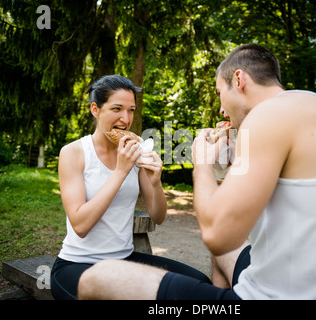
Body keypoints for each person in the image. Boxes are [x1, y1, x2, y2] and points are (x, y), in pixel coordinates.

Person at [77, 44, 316, 300]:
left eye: (220, 92)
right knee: (224, 255)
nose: (220, 110)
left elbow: (217, 233)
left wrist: (202, 162)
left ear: (239, 79)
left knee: (95, 278)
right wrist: (231, 159)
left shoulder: (267, 114)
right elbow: (250, 203)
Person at [50, 75, 210, 300]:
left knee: (200, 284)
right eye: (117, 109)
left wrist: (155, 182)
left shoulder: (135, 147)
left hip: (125, 260)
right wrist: (121, 171)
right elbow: (80, 225)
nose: (125, 119)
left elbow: (158, 216)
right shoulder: (73, 153)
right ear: (95, 109)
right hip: (78, 265)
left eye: (131, 110)